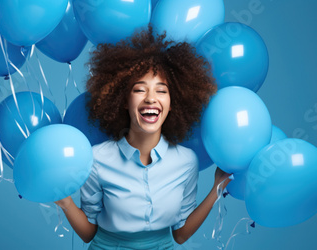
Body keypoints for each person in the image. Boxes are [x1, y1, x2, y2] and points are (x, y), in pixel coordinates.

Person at [55, 27, 231, 249]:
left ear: (172, 102)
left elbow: (180, 235)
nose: (151, 99)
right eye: (140, 90)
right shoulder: (97, 159)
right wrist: (65, 202)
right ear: (122, 100)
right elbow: (89, 233)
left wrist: (217, 188)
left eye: (161, 90)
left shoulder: (187, 162)